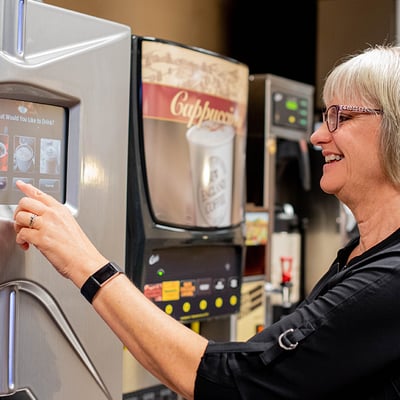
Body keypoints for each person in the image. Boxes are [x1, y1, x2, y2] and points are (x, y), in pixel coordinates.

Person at [13, 44, 400, 399]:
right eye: (322, 116)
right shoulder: (360, 254)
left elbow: (237, 383)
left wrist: (84, 263)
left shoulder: (388, 280)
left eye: (340, 117)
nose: (317, 136)